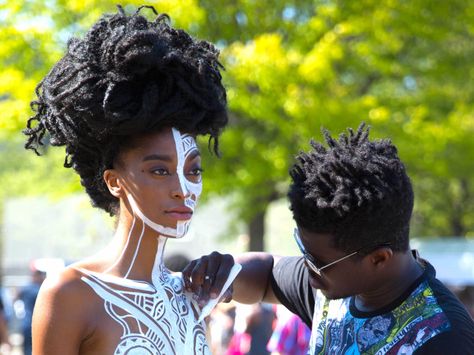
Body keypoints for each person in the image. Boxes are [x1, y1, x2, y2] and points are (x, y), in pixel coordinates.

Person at [23, 5, 227, 354]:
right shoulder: (72, 293)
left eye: (193, 170)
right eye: (160, 171)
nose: (183, 190)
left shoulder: (191, 293)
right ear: (114, 181)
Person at [184, 124, 474, 354]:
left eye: (318, 263)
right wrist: (225, 274)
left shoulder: (443, 339)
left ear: (379, 258)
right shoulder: (337, 285)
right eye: (303, 252)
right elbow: (269, 274)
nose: (309, 275)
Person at [16, 268, 46, 355]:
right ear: (38, 276)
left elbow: (16, 297)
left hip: (25, 323)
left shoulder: (25, 288)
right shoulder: (39, 289)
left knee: (26, 349)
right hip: (36, 324)